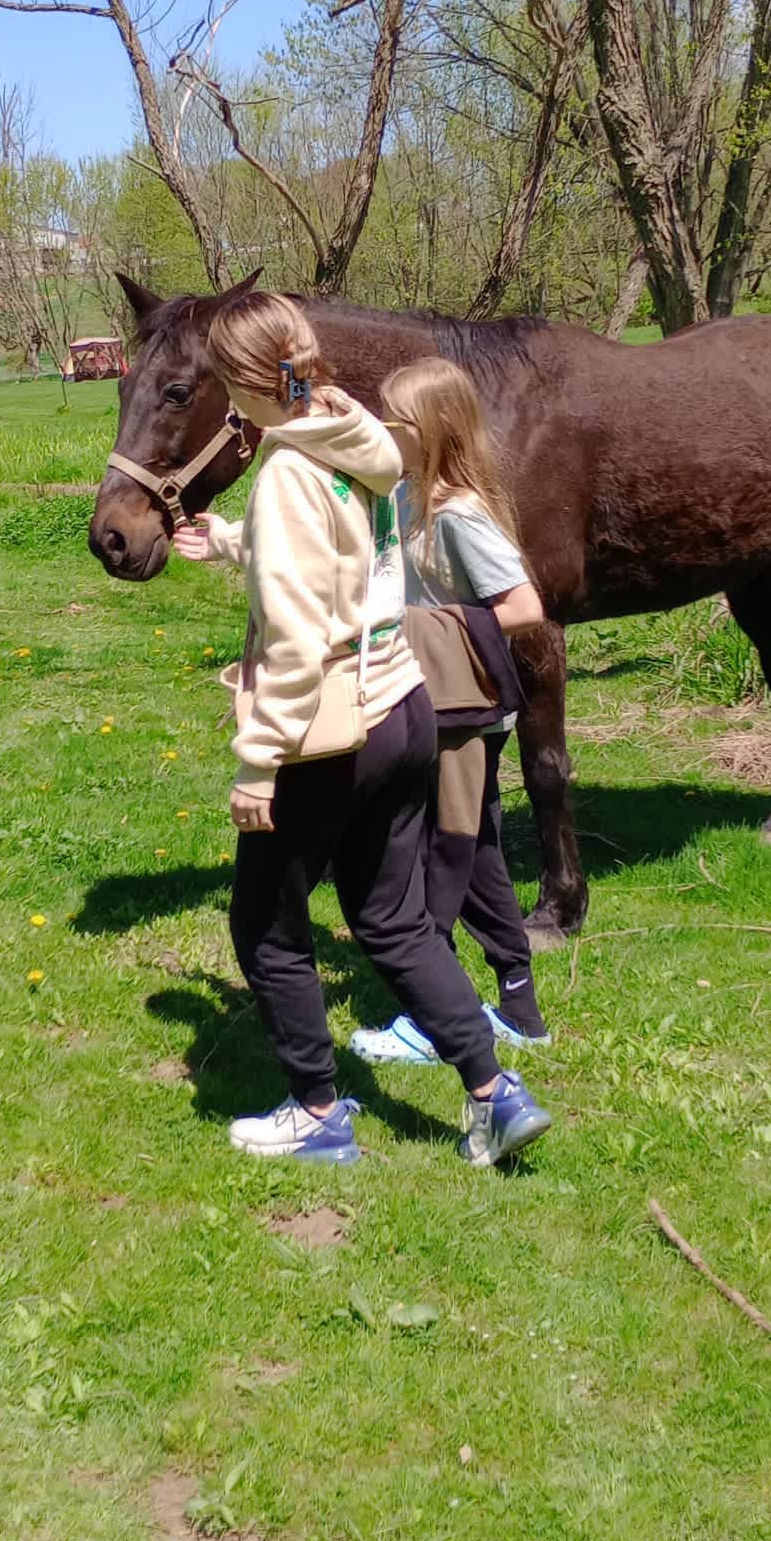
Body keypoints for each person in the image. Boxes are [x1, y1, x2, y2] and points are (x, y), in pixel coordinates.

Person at [172, 291, 550, 1169]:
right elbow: (339, 557)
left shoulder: (287, 474)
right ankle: (495, 1093)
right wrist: (234, 541)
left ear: (239, 387)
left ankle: (316, 1113)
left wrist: (258, 765)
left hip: (334, 728)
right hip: (407, 708)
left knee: (265, 926)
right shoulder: (357, 440)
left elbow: (302, 636)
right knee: (393, 921)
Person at [349, 355, 550, 1069]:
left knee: (444, 849)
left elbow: (523, 606)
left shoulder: (459, 513)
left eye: (395, 420)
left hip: (461, 715)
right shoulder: (408, 498)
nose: (383, 429)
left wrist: (420, 631)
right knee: (483, 849)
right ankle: (519, 1007)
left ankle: (431, 1013)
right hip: (432, 703)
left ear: (431, 430)